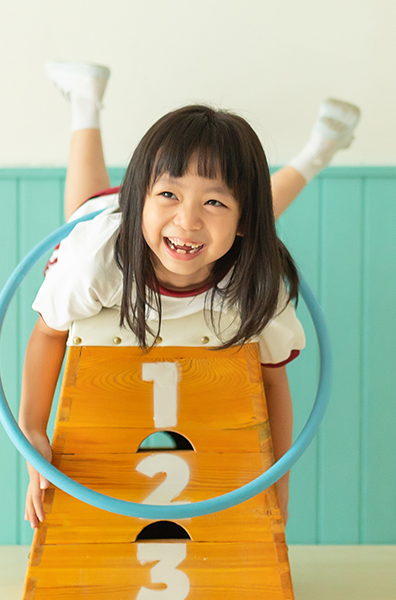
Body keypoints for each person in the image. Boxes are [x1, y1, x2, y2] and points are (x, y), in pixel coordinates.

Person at [19, 60, 360, 529]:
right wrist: (33, 429)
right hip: (113, 226)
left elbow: (271, 381)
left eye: (213, 201)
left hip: (213, 239)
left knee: (249, 218)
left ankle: (317, 151)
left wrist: (276, 485)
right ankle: (85, 101)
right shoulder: (95, 262)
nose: (188, 219)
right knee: (85, 204)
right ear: (141, 199)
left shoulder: (254, 284)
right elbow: (49, 334)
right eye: (170, 196)